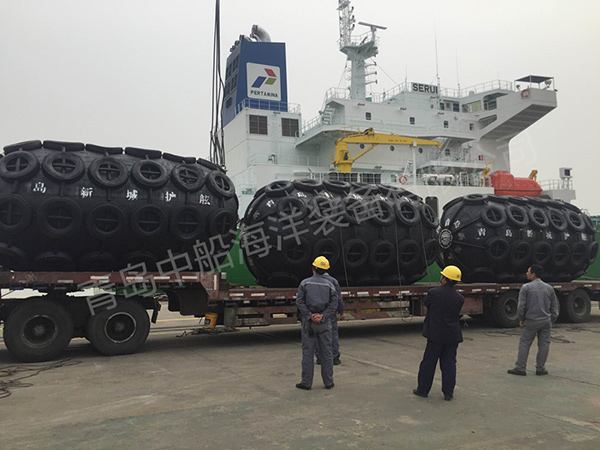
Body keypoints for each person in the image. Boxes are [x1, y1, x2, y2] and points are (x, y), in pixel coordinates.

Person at [413, 265, 464, 401]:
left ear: (444, 278)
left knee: (429, 363)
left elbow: (427, 304)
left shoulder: (434, 293)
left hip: (435, 334)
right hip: (452, 335)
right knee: (449, 364)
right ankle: (448, 393)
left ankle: (423, 390)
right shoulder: (460, 298)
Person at [295, 256, 340, 390]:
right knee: (327, 353)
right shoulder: (330, 285)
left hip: (309, 324)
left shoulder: (305, 283)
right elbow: (334, 304)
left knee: (308, 353)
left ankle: (306, 383)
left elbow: (299, 302)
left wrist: (310, 315)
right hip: (324, 323)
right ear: (325, 270)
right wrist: (323, 316)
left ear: (313, 268)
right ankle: (329, 382)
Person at [508, 265, 559, 376]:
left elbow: (521, 306)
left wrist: (521, 319)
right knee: (544, 344)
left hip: (531, 320)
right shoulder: (549, 288)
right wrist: (551, 319)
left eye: (528, 271)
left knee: (525, 344)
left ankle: (520, 368)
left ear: (533, 274)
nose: (526, 273)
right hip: (545, 320)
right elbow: (554, 306)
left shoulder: (526, 288)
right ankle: (540, 368)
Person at [316, 271, 343, 366]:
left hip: (317, 311)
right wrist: (341, 311)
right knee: (333, 333)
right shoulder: (333, 281)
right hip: (330, 312)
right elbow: (338, 298)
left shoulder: (311, 281)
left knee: (318, 334)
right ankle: (335, 358)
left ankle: (320, 358)